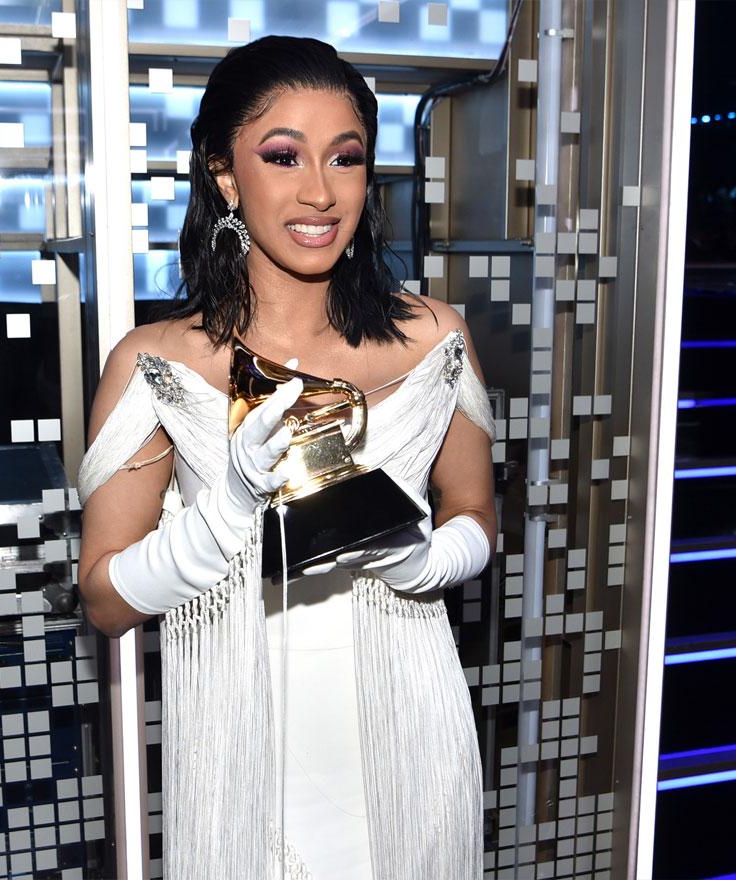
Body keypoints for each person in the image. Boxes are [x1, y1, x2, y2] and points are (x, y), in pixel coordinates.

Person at [76, 36, 495, 880]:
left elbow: (477, 514)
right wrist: (218, 522)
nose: (319, 192)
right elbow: (103, 602)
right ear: (226, 176)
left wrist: (423, 560)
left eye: (346, 158)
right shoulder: (156, 363)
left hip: (412, 727)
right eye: (281, 155)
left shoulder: (436, 339)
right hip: (246, 757)